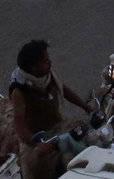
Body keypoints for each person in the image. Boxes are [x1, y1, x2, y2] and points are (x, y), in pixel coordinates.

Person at [7, 40, 90, 179]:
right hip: (36, 139)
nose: (50, 62)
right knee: (35, 173)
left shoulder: (47, 75)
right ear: (34, 67)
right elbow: (19, 123)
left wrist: (86, 107)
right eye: (45, 61)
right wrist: (37, 143)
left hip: (59, 128)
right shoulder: (19, 91)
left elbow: (63, 89)